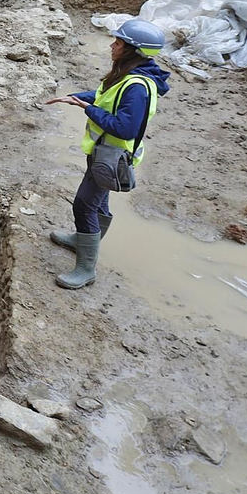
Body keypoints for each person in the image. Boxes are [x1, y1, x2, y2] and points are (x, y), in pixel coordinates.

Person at [43, 18, 171, 290]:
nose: (113, 45)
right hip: (105, 153)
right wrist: (80, 97)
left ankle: (86, 268)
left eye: (119, 42)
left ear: (132, 50)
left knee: (84, 205)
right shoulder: (129, 75)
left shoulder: (137, 87)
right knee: (98, 202)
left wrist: (87, 109)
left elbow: (125, 128)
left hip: (112, 156)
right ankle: (83, 240)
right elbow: (105, 95)